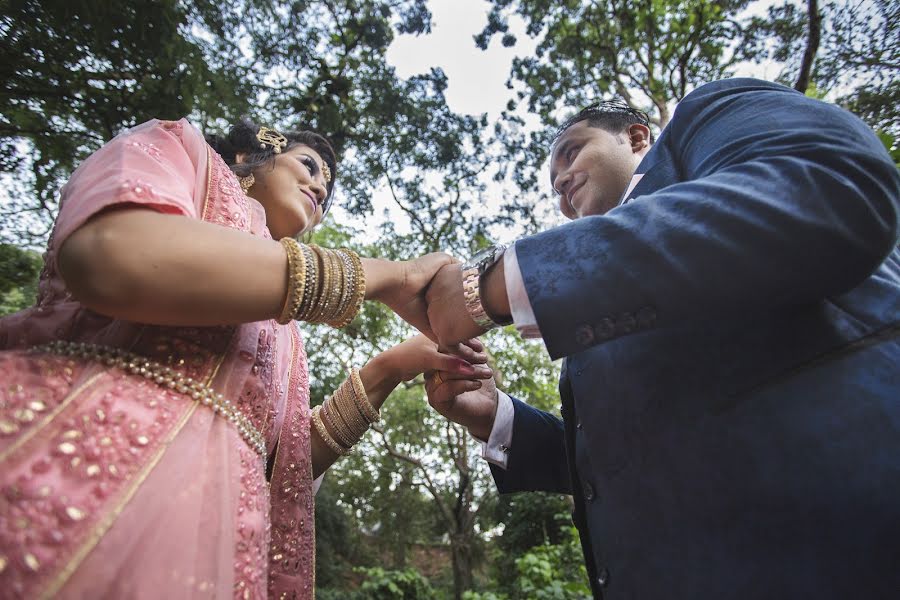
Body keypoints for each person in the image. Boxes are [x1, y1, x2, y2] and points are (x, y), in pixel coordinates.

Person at [423, 78, 900, 598]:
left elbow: (830, 187)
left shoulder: (706, 118)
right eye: (551, 182)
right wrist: (496, 415)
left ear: (636, 137)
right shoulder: (600, 298)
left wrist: (490, 288)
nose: (559, 181)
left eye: (571, 152)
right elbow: (619, 459)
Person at [0, 116, 489, 599]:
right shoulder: (179, 149)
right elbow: (111, 254)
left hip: (216, 555)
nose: (320, 187)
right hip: (62, 470)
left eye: (327, 186)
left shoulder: (286, 332)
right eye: (309, 165)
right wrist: (390, 276)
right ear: (248, 154)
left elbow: (285, 464)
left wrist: (398, 365)